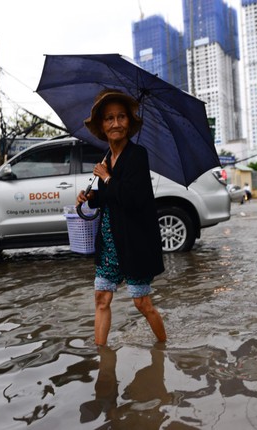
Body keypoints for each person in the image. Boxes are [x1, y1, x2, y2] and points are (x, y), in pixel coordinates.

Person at [76, 89, 167, 346]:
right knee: (101, 298)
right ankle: (101, 356)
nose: (116, 123)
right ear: (101, 126)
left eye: (121, 117)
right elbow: (109, 197)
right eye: (109, 118)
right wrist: (90, 197)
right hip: (109, 243)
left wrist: (106, 177)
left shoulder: (138, 155)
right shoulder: (107, 157)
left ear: (129, 122)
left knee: (142, 303)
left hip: (134, 242)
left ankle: (163, 347)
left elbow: (132, 198)